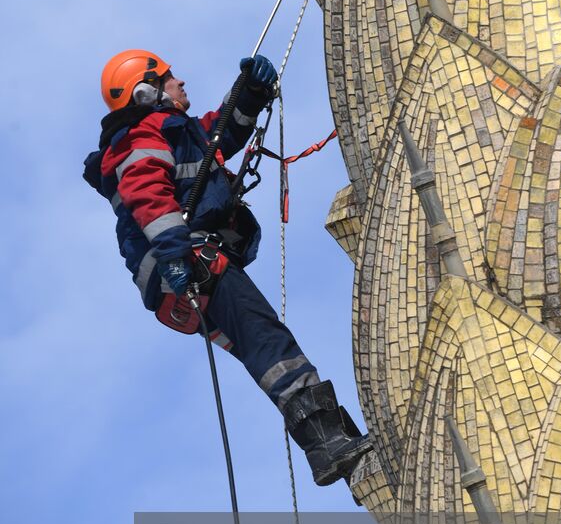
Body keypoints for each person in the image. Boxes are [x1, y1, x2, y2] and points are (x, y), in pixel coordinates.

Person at [83, 49, 372, 486]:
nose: (181, 82)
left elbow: (221, 135)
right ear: (146, 92)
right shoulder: (140, 136)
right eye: (170, 77)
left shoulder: (174, 132)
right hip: (190, 264)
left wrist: (251, 92)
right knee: (267, 338)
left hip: (186, 275)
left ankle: (343, 450)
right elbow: (148, 193)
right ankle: (329, 443)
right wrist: (175, 256)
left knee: (262, 347)